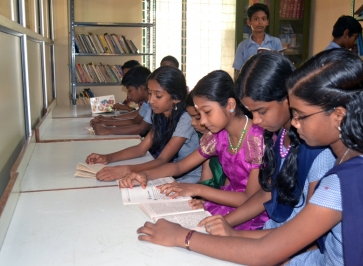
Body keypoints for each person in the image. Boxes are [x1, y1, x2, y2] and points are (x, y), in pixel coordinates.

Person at [135, 49, 363, 265]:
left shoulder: (346, 177)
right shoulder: (352, 162)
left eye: (300, 115)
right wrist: (228, 232)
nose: (295, 124)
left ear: (338, 116)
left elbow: (268, 252)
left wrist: (183, 237)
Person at [198, 53, 334, 238]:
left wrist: (234, 233)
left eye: (261, 111)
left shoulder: (314, 147)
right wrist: (225, 223)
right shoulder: (279, 137)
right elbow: (265, 194)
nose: (256, 120)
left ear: (288, 98)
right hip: (275, 231)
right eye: (251, 112)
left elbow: (307, 234)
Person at [120, 70, 268, 230]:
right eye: (199, 114)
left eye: (207, 112)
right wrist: (144, 176)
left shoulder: (257, 139)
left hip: (251, 215)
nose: (202, 121)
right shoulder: (219, 135)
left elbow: (250, 198)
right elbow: (179, 167)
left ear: (230, 105)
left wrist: (198, 189)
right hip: (226, 202)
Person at [86, 66, 202, 184]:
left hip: (187, 178)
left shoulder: (186, 118)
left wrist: (126, 170)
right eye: (150, 93)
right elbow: (141, 148)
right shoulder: (160, 114)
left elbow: (163, 160)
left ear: (176, 98)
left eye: (158, 96)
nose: (151, 100)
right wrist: (107, 158)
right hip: (167, 174)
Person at [89, 66, 152, 136]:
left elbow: (141, 128)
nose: (128, 95)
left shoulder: (152, 103)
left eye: (130, 90)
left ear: (142, 89)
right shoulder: (146, 103)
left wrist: (107, 130)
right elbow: (135, 120)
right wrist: (105, 122)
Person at [185, 92, 226, 189]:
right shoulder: (204, 136)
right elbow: (206, 177)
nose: (193, 123)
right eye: (191, 117)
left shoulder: (221, 137)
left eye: (197, 117)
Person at [233, 3, 283, 80]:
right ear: (249, 22)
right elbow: (237, 72)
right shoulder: (242, 46)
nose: (260, 22)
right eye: (256, 19)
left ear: (267, 22)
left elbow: (282, 67)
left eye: (263, 19)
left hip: (271, 84)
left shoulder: (276, 42)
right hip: (249, 85)